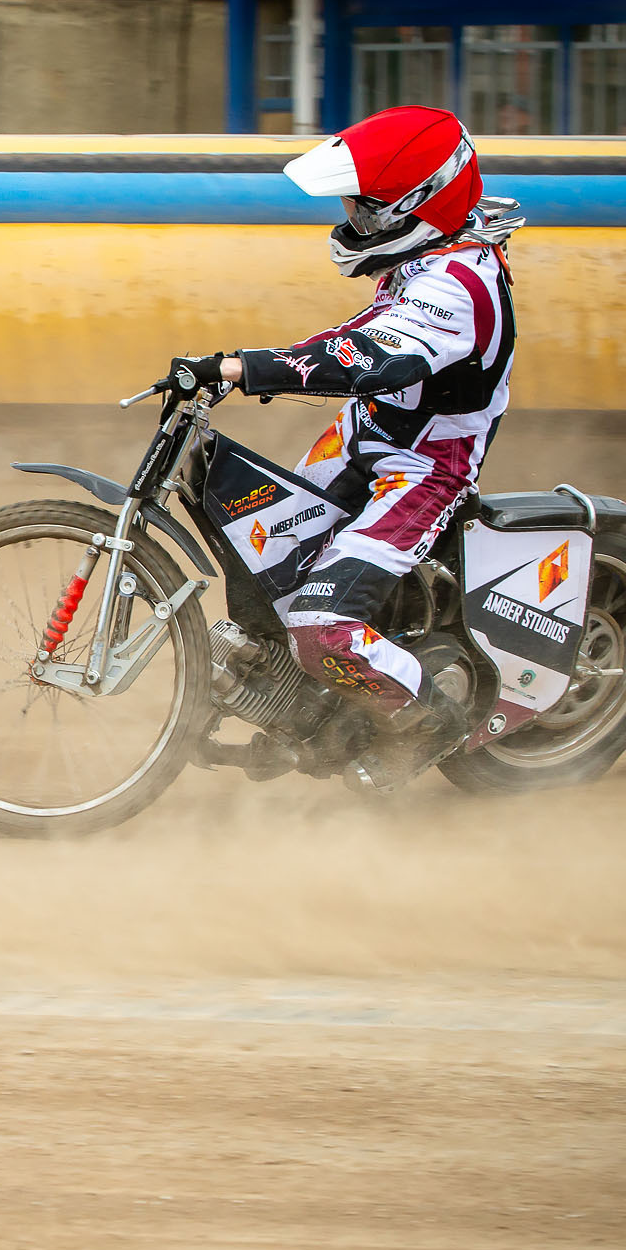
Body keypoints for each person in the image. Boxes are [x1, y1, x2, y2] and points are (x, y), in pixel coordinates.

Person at [167, 105, 525, 787]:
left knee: (319, 625)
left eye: (367, 211)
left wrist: (248, 367)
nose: (353, 223)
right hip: (369, 438)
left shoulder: (461, 281)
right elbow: (353, 342)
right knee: (266, 561)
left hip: (423, 469)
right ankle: (313, 707)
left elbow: (373, 358)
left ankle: (429, 720)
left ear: (416, 206)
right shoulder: (431, 255)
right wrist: (245, 364)